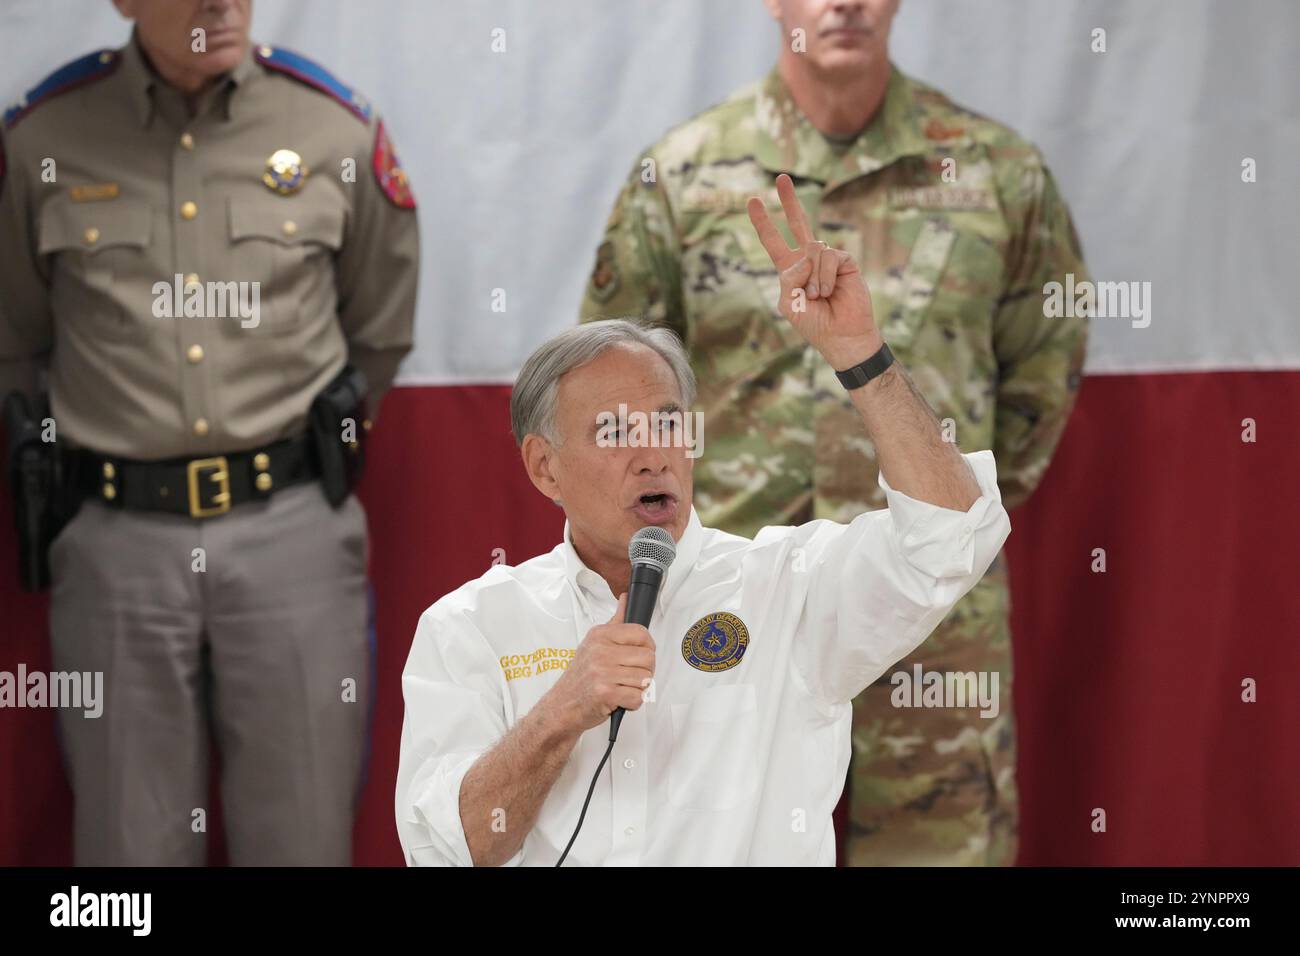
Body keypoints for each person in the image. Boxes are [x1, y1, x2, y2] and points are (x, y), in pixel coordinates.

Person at [579, 0, 1088, 865]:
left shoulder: (999, 173)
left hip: (935, 619)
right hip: (730, 614)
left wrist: (947, 527)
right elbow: (618, 390)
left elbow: (1040, 381)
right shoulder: (685, 173)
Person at [396, 176, 1010, 866]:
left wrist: (860, 353)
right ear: (545, 468)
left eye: (667, 423)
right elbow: (448, 851)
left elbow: (954, 537)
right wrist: (560, 713)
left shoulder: (789, 589)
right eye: (613, 431)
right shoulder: (471, 626)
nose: (653, 453)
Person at [0, 0, 419, 864]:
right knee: (127, 849)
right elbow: (14, 340)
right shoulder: (42, 138)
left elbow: (378, 329)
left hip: (292, 537)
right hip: (116, 545)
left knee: (302, 839)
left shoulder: (334, 129)